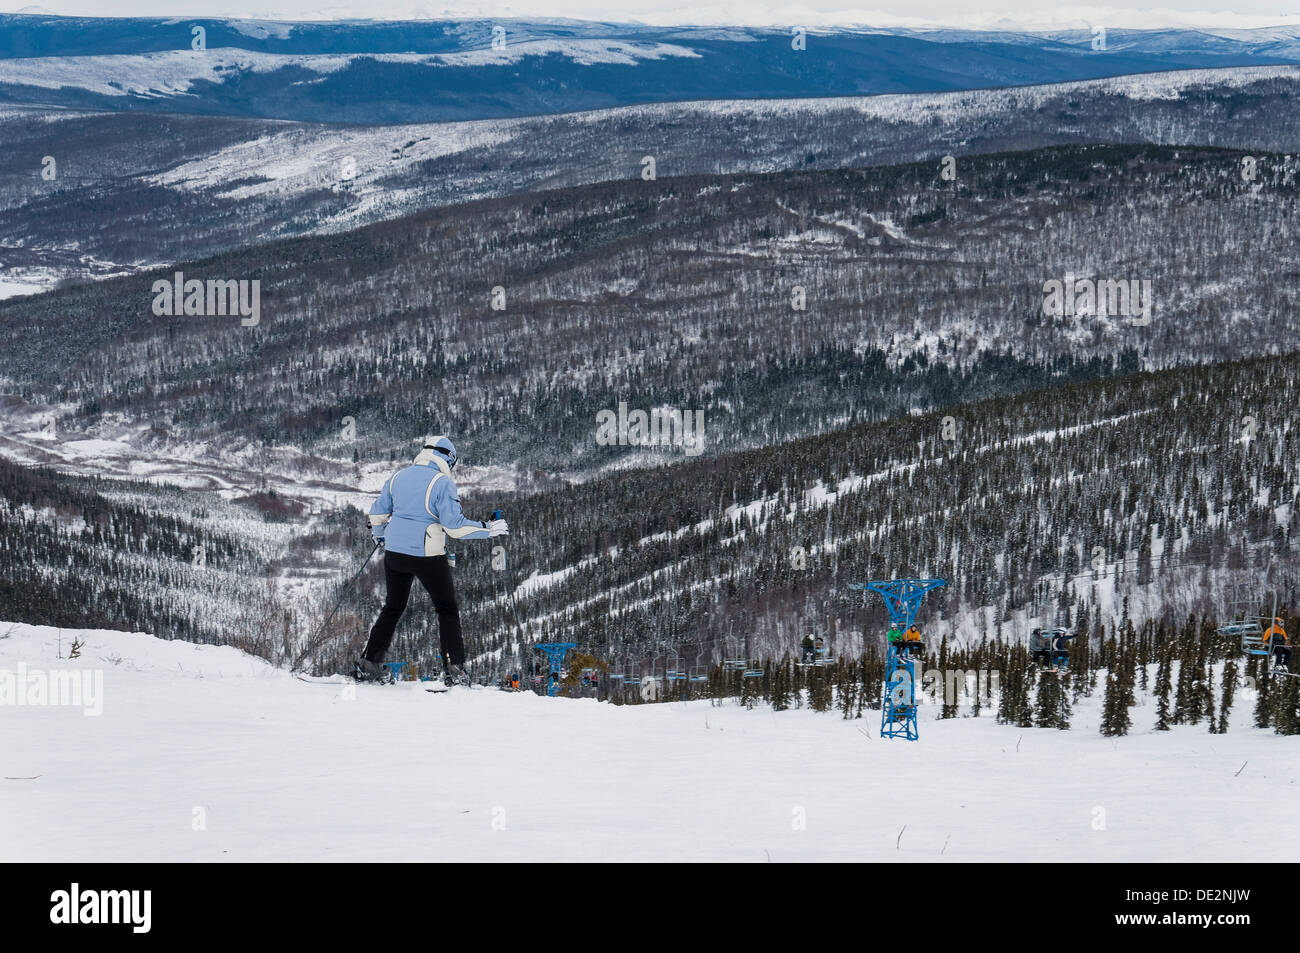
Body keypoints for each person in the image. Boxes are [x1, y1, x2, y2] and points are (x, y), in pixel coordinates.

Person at [355, 435, 509, 685]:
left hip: (394, 554)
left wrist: (381, 537)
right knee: (446, 609)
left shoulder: (398, 477)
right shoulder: (441, 483)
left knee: (393, 607)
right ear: (449, 458)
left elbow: (377, 514)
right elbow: (455, 528)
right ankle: (455, 671)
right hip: (427, 555)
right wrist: (488, 528)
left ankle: (369, 664)